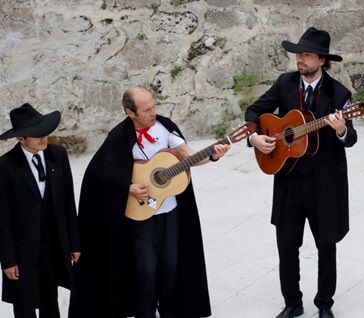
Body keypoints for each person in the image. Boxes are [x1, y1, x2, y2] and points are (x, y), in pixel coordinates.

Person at [70, 87, 229, 318]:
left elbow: (189, 156)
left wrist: (214, 155)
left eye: (154, 106)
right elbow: (98, 174)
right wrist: (128, 186)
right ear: (130, 112)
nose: (153, 112)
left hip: (170, 214)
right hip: (140, 219)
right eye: (146, 110)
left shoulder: (164, 128)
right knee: (145, 273)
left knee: (170, 271)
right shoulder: (118, 137)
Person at [245, 27, 357, 318]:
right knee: (287, 246)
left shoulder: (339, 93)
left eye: (307, 55)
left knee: (326, 247)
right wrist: (254, 138)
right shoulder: (285, 84)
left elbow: (351, 138)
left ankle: (324, 305)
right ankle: (292, 304)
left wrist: (342, 127)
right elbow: (254, 113)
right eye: (298, 54)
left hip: (324, 183)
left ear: (322, 60)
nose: (300, 59)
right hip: (288, 179)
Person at [0, 103, 81, 318]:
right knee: (24, 305)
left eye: (44, 131)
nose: (43, 137)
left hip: (52, 245)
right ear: (20, 139)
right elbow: (3, 217)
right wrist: (8, 260)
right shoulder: (5, 166)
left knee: (50, 301)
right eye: (36, 135)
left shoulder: (58, 155)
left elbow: (68, 204)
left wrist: (74, 243)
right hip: (22, 249)